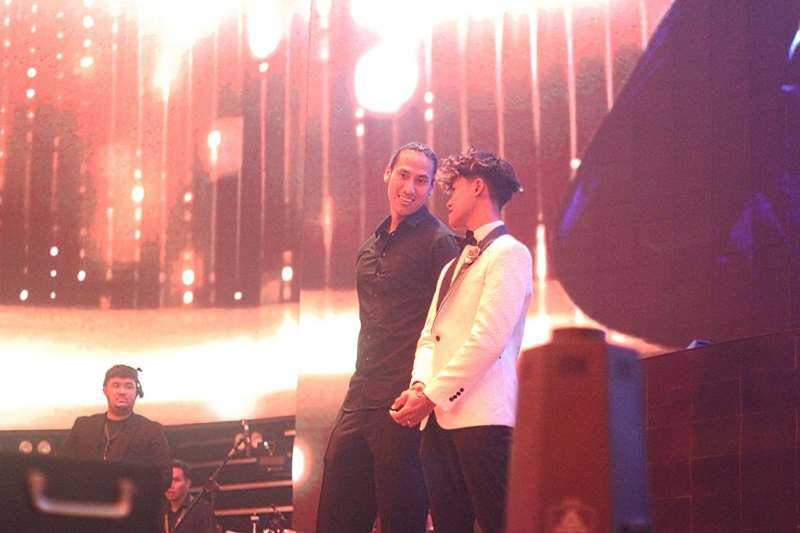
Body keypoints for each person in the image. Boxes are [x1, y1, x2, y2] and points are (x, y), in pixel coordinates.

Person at [316, 142, 460, 533]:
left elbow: (452, 328)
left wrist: (427, 395)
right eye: (403, 175)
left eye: (421, 181)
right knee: (335, 519)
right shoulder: (368, 248)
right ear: (387, 173)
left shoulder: (440, 243)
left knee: (401, 522)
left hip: (404, 405)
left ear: (432, 188)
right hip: (359, 399)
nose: (410, 188)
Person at [391, 147, 533, 533]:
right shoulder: (454, 264)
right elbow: (429, 337)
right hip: (438, 424)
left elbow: (489, 338)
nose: (448, 198)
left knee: (501, 524)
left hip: (484, 420)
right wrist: (419, 386)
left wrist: (431, 396)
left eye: (453, 188)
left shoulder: (509, 253)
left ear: (478, 187)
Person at [58, 364, 172, 491]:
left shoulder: (151, 430)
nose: (122, 392)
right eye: (116, 385)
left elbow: (164, 477)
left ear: (136, 392)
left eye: (129, 386)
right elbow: (61, 466)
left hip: (129, 501)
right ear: (105, 391)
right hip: (86, 500)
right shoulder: (83, 426)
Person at [164, 459, 216, 533]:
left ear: (187, 483)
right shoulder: (161, 512)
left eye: (176, 480)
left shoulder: (202, 509)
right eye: (167, 480)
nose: (170, 485)